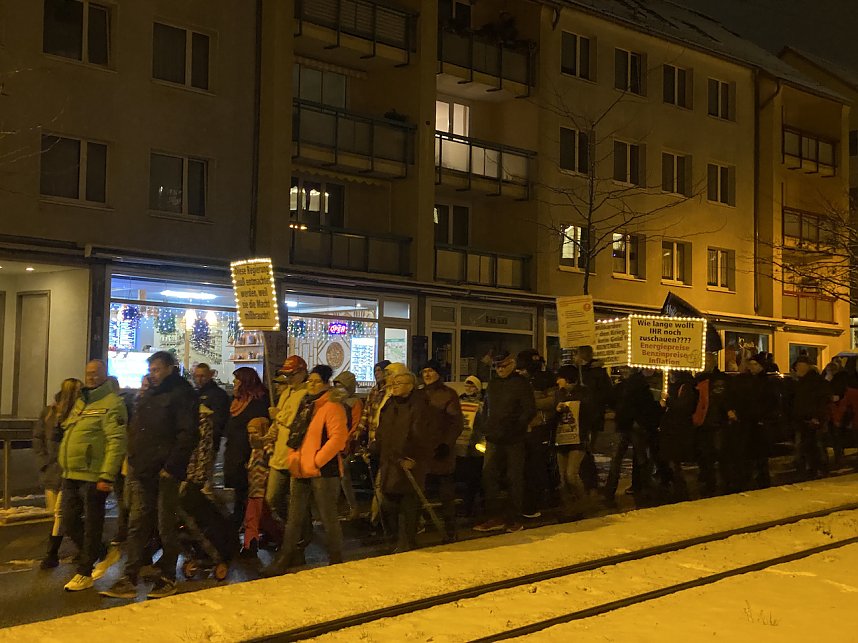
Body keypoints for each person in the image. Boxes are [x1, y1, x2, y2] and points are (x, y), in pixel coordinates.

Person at [101, 351, 198, 599]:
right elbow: (138, 427)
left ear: (170, 368)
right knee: (137, 523)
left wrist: (172, 466)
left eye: (157, 369)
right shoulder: (150, 393)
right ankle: (129, 576)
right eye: (151, 370)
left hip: (165, 471)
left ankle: (167, 577)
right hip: (143, 469)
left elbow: (187, 434)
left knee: (166, 526)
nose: (152, 374)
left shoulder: (181, 394)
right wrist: (134, 458)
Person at [263, 365, 348, 575]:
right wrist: (294, 456)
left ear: (326, 384)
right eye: (310, 381)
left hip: (324, 471)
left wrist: (317, 460)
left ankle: (336, 558)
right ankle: (285, 558)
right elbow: (296, 433)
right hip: (300, 467)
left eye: (317, 381)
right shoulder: (306, 404)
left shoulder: (332, 406)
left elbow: (338, 439)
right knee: (294, 518)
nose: (312, 385)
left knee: (328, 517)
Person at [58, 360, 127, 592]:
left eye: (96, 373)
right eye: (88, 373)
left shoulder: (112, 403)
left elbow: (116, 441)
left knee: (92, 525)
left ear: (105, 375)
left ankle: (85, 571)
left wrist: (107, 475)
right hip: (71, 472)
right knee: (68, 520)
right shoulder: (81, 401)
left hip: (94, 474)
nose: (91, 377)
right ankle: (103, 551)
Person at [373, 370, 436, 552]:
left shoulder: (420, 405)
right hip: (389, 460)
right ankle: (393, 540)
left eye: (399, 383)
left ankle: (408, 542)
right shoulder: (390, 404)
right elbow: (382, 429)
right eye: (393, 383)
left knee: (409, 504)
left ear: (410, 386)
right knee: (388, 503)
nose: (394, 386)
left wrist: (413, 457)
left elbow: (423, 434)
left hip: (409, 462)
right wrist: (376, 446)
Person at [474, 351, 536, 534]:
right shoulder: (493, 384)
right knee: (489, 477)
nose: (500, 369)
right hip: (493, 438)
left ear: (512, 364)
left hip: (513, 438)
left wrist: (516, 427)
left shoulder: (521, 384)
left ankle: (514, 518)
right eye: (497, 366)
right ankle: (494, 516)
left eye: (503, 366)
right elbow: (486, 407)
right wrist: (485, 427)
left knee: (513, 478)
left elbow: (529, 410)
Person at [33, 378, 82, 569]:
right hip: (52, 470)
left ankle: (51, 553)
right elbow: (38, 438)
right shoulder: (50, 412)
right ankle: (89, 547)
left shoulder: (79, 412)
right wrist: (44, 463)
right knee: (55, 513)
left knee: (60, 513)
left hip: (68, 470)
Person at [420, 359, 464, 542]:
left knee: (445, 491)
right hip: (422, 450)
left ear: (438, 373)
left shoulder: (448, 394)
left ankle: (450, 527)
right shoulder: (419, 394)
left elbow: (456, 423)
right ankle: (421, 523)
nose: (427, 374)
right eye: (424, 371)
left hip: (441, 450)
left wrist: (446, 444)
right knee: (420, 489)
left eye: (431, 371)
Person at [603, 367, 662, 501]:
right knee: (640, 458)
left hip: (624, 424)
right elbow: (647, 407)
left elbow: (611, 401)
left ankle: (610, 490)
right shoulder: (643, 386)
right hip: (636, 425)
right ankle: (643, 487)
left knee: (617, 459)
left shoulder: (622, 386)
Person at [223, 368, 270, 528]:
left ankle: (251, 526)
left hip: (250, 455)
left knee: (250, 493)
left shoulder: (258, 402)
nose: (234, 383)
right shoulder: (236, 401)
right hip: (235, 451)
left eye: (237, 380)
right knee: (239, 491)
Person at [265, 356, 309, 525]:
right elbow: (277, 423)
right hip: (279, 454)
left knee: (297, 503)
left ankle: (300, 533)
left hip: (295, 455)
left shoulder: (306, 395)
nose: (289, 379)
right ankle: (283, 529)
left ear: (302, 373)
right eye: (287, 375)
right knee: (271, 499)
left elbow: (294, 421)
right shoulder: (286, 393)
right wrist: (268, 437)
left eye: (292, 375)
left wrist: (278, 415)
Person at [517, 349, 556, 519]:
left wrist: (530, 402)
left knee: (536, 466)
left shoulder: (546, 378)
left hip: (539, 428)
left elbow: (552, 401)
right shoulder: (518, 380)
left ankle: (536, 501)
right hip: (520, 429)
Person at [241, 416, 280, 557]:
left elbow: (272, 463)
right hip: (254, 491)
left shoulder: (266, 447)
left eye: (255, 432)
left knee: (259, 519)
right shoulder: (254, 449)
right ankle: (252, 544)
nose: (252, 437)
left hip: (261, 491)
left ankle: (253, 545)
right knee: (255, 518)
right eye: (250, 433)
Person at [790, 355, 832, 479]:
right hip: (802, 419)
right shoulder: (800, 382)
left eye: (800, 366)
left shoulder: (815, 382)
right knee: (806, 445)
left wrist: (817, 417)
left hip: (813, 419)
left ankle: (820, 468)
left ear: (807, 366)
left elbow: (821, 401)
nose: (798, 369)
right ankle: (810, 469)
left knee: (816, 445)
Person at [331, 370, 364, 520]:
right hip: (333, 443)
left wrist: (346, 442)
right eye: (337, 386)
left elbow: (355, 424)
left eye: (342, 386)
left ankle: (353, 507)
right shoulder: (334, 402)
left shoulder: (354, 403)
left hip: (346, 445)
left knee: (343, 476)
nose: (338, 389)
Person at [456, 376, 485, 517]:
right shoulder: (459, 401)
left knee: (475, 476)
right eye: (467, 385)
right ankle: (466, 505)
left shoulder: (483, 402)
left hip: (476, 444)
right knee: (465, 476)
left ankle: (474, 505)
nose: (469, 388)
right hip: (462, 444)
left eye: (472, 386)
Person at [193, 363, 230, 455]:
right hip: (195, 440)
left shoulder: (218, 395)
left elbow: (219, 420)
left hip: (208, 440)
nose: (199, 379)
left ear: (210, 375)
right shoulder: (195, 394)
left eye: (202, 376)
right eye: (197, 376)